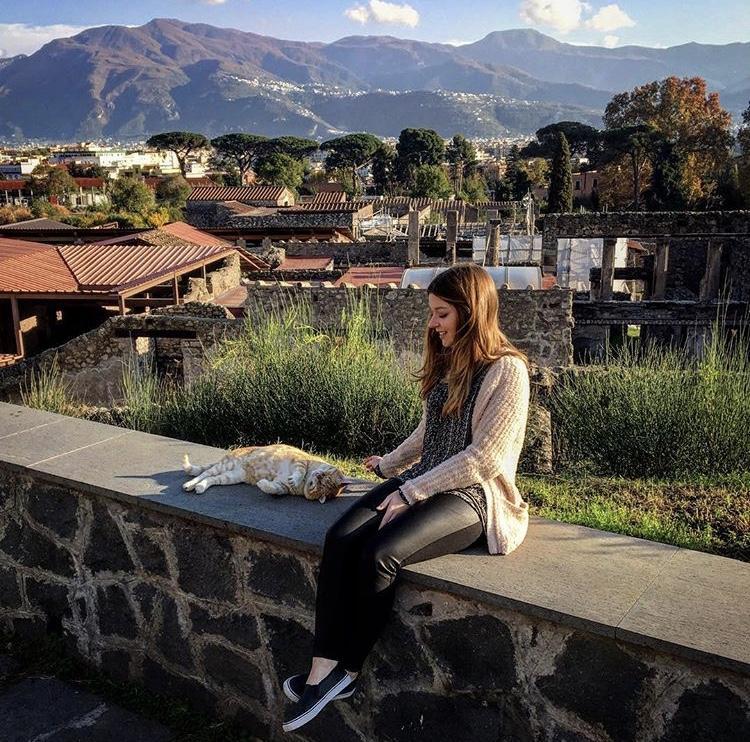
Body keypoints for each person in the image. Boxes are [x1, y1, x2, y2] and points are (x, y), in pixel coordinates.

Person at [281, 264, 531, 733]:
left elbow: (486, 457)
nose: (433, 324)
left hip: (475, 498)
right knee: (340, 537)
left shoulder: (508, 372)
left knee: (380, 553)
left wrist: (411, 491)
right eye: (432, 313)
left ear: (470, 312)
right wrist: (391, 464)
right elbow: (430, 431)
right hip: (424, 478)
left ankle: (348, 671)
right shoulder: (450, 359)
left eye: (441, 314)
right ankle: (321, 669)